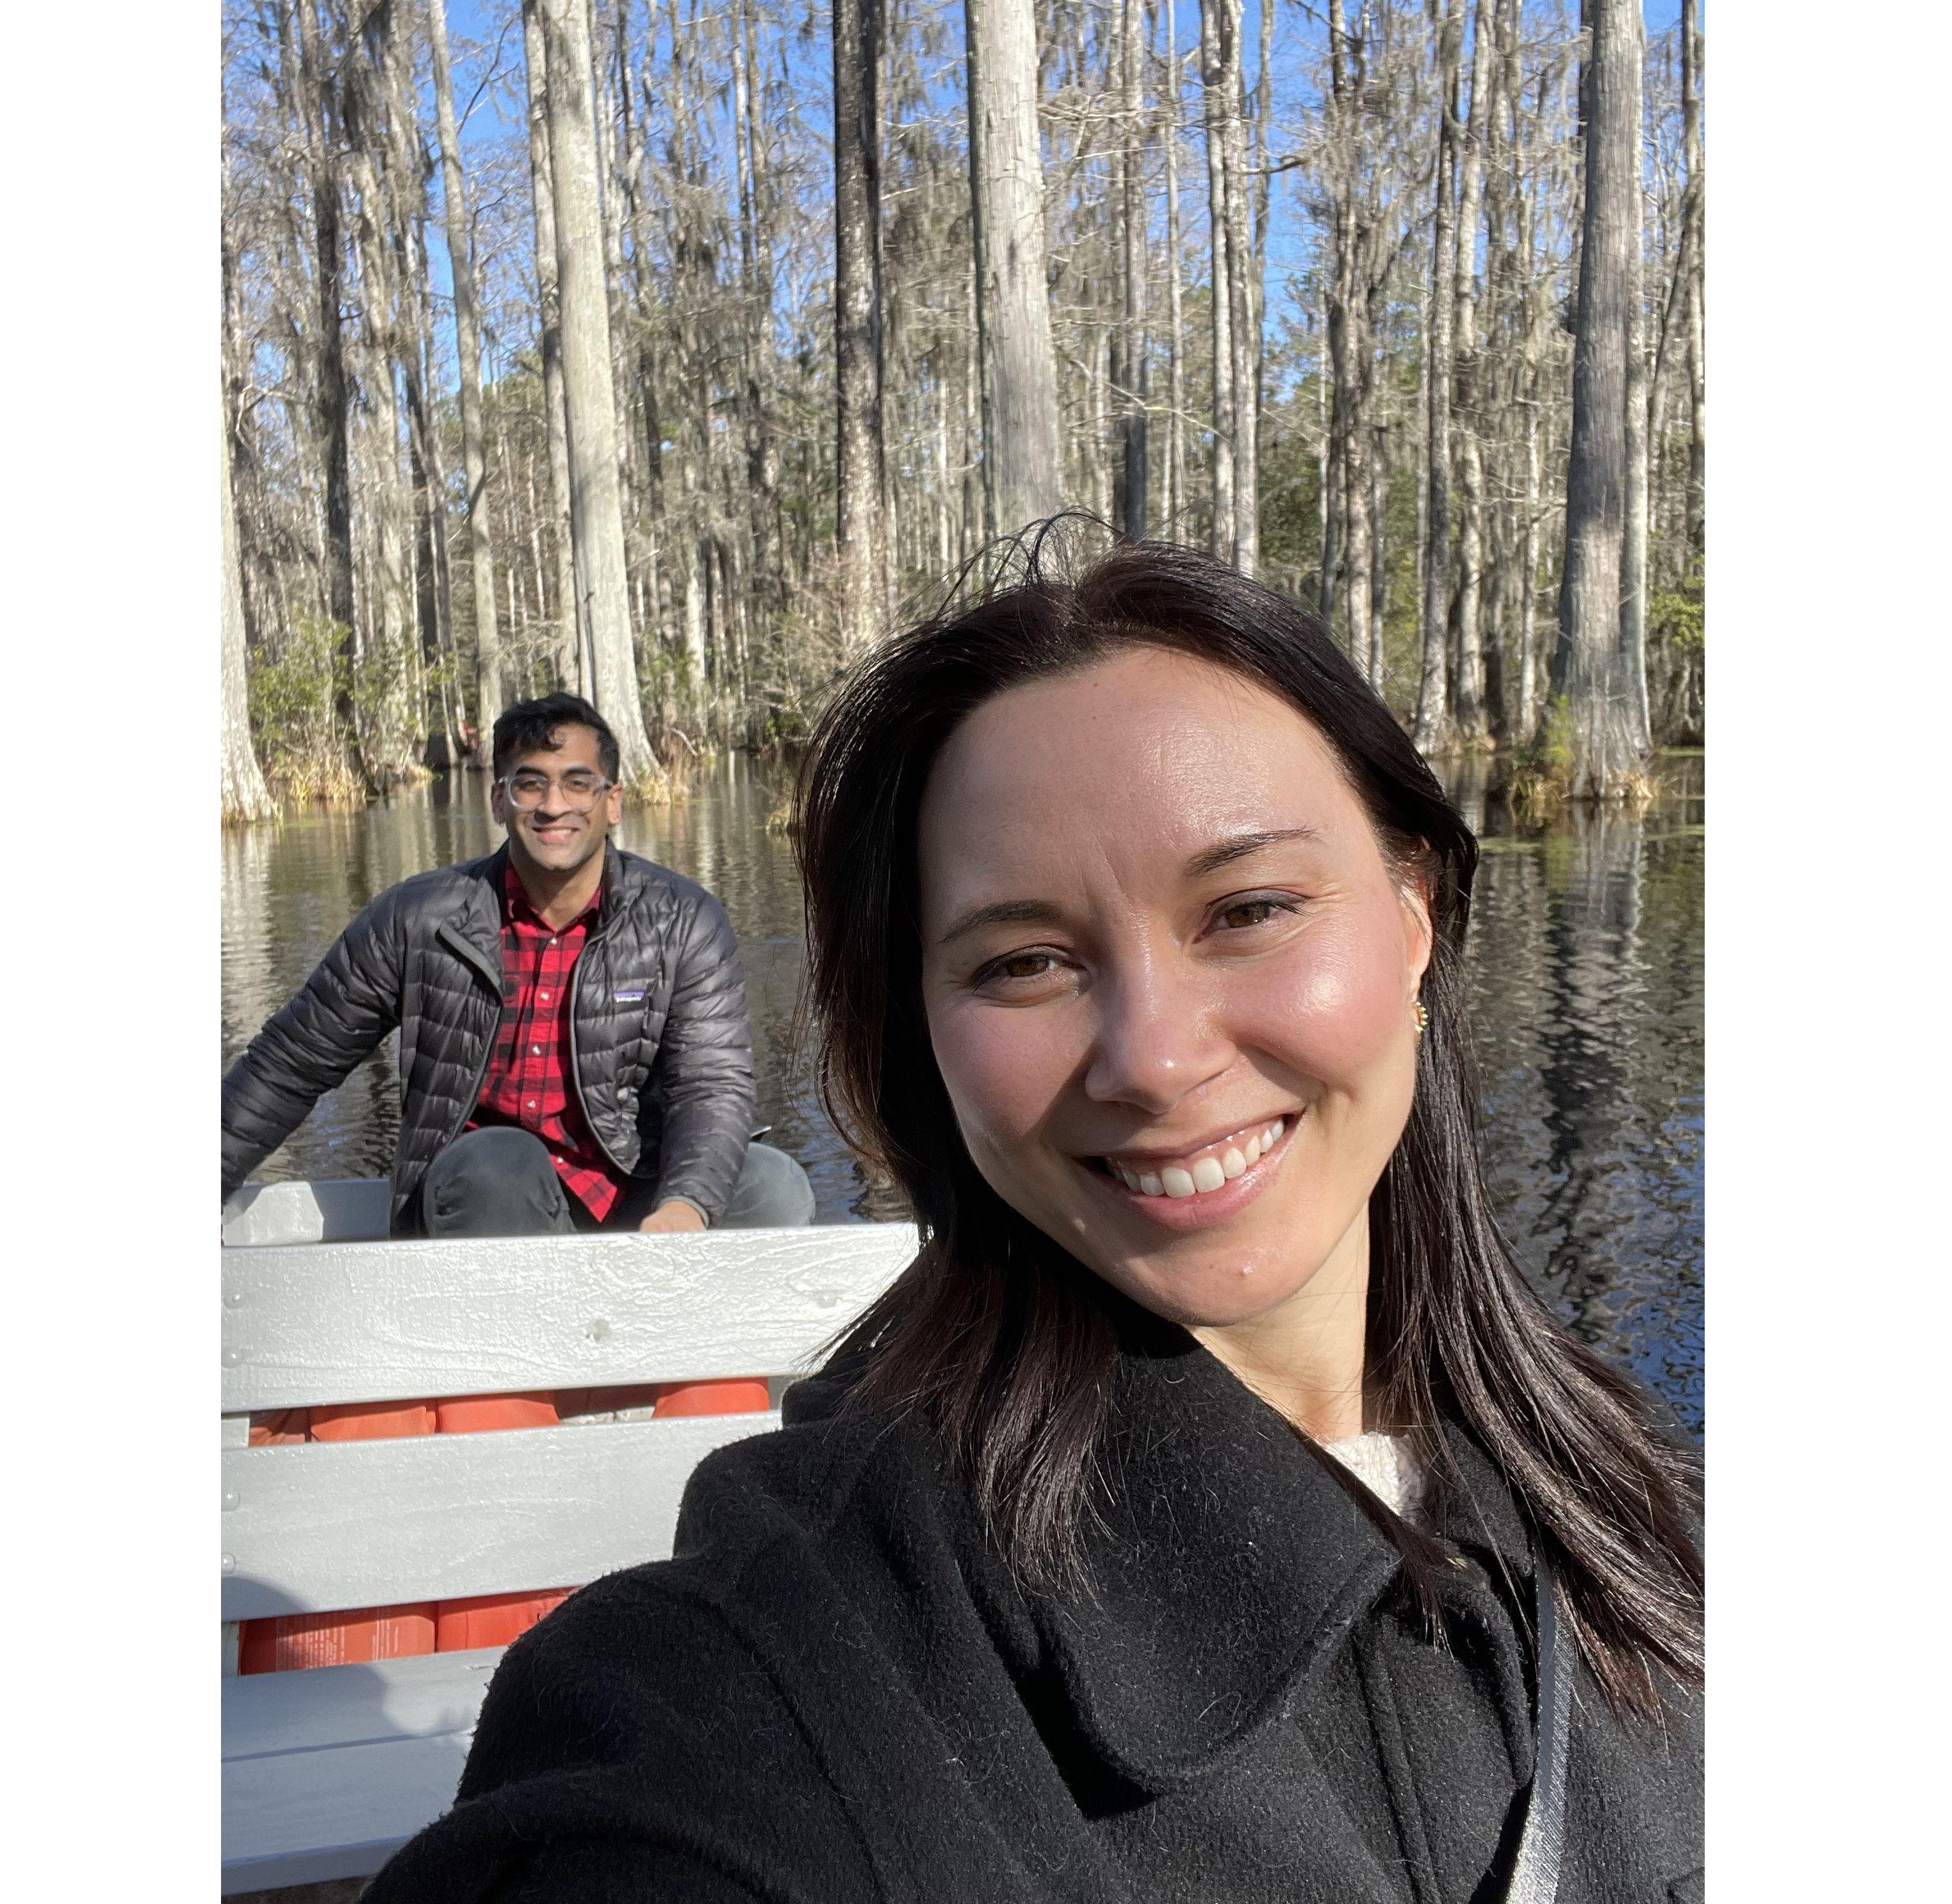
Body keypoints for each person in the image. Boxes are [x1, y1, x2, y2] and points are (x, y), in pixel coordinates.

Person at [360, 543, 1702, 1903]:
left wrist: (684, 1200)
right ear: (922, 1047)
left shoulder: (1650, 1510)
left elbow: (709, 1085)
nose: (1154, 1057)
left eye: (1248, 908)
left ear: (1414, 914)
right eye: (1023, 961)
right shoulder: (785, 1673)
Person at [222, 692, 814, 1239]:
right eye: (531, 784)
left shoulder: (684, 919)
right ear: (499, 800)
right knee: (501, 1166)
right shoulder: (417, 917)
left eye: (577, 783)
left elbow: (711, 1085)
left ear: (612, 803)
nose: (554, 805)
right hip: (486, 1200)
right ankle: (527, 1349)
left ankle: (701, 1351)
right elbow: (290, 1064)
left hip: (633, 1196)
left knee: (772, 1185)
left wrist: (686, 1205)